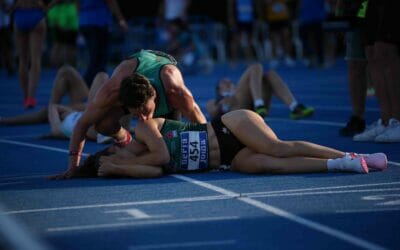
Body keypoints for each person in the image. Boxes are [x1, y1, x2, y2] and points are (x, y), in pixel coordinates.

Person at [52, 109, 388, 179]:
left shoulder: (144, 133)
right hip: (229, 159)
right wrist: (111, 169)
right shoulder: (138, 164)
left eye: (115, 149)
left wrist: (115, 163)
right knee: (270, 166)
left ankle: (350, 154)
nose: (119, 148)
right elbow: (154, 171)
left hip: (229, 126)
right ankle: (338, 165)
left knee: (277, 148)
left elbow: (162, 154)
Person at [60, 49, 207, 179]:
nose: (143, 119)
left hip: (162, 74)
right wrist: (73, 166)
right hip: (131, 75)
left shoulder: (175, 92)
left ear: (154, 96)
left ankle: (136, 143)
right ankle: (125, 139)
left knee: (172, 151)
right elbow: (82, 124)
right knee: (102, 125)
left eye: (145, 111)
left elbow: (204, 127)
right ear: (122, 102)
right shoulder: (112, 91)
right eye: (136, 116)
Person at [0, 65, 108, 142]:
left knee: (101, 77)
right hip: (90, 106)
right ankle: (52, 118)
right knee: (66, 71)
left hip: (90, 111)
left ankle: (6, 120)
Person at [352, 0, 400, 143]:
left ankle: (397, 119)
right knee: (371, 52)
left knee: (386, 49)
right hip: (369, 3)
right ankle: (386, 120)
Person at [206, 63, 314, 120]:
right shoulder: (214, 101)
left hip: (254, 109)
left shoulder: (242, 90)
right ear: (219, 90)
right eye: (225, 83)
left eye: (230, 82)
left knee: (269, 75)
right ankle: (259, 104)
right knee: (256, 66)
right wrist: (221, 105)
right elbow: (212, 112)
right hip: (238, 110)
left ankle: (294, 107)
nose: (229, 82)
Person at [336, 0, 368, 137]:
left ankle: (391, 118)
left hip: (380, 8)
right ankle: (358, 117)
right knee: (355, 63)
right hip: (356, 10)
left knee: (382, 58)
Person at [11, 0, 47, 108]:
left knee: (23, 60)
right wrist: (47, 6)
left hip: (20, 14)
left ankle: (26, 97)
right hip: (36, 13)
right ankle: (31, 98)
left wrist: (9, 7)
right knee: (35, 60)